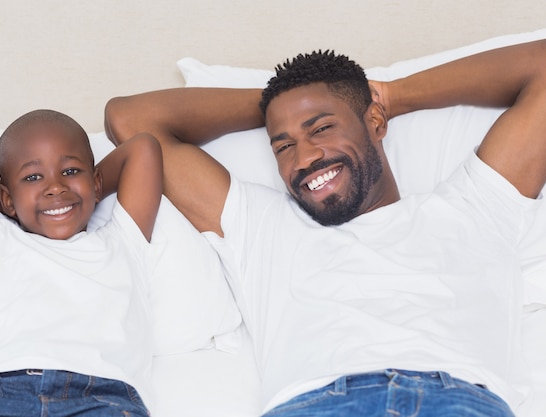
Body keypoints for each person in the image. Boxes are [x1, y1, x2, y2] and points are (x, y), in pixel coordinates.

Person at [104, 40, 546, 417]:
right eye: (284, 145)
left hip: (456, 400)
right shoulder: (260, 226)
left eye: (322, 127)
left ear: (375, 122)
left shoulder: (476, 204)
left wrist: (386, 95)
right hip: (317, 404)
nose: (304, 158)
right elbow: (129, 120)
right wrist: (282, 102)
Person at [0, 109, 163, 416]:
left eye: (69, 172)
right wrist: (14, 202)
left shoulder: (122, 240)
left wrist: (83, 193)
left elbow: (143, 148)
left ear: (96, 182)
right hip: (0, 393)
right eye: (33, 177)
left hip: (103, 397)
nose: (55, 186)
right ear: (7, 199)